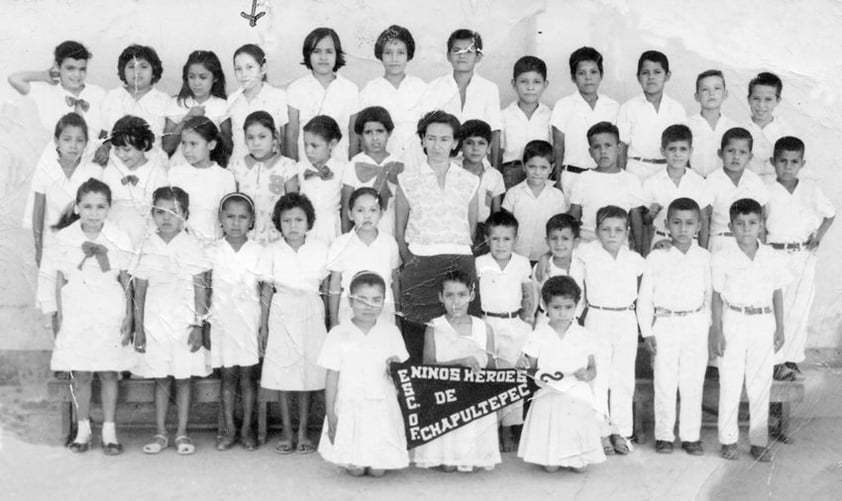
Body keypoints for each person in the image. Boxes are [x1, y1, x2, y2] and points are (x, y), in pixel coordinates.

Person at [38, 178, 135, 455]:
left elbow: (126, 277)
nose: (94, 212)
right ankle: (82, 431)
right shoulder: (65, 238)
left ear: (109, 209)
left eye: (100, 207)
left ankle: (109, 431)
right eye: (88, 206)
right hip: (78, 309)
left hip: (109, 308)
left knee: (108, 372)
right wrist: (60, 317)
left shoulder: (119, 236)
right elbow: (58, 281)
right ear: (78, 207)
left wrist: (129, 315)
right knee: (80, 373)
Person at [395, 110, 480, 361]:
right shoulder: (407, 179)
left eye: (444, 139)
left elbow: (471, 227)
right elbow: (399, 229)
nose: (437, 145)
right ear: (422, 140)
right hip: (420, 263)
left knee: (459, 333)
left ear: (455, 143)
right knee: (417, 333)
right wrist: (410, 260)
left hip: (459, 263)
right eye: (430, 138)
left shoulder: (469, 181)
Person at [134, 186, 212, 456]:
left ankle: (181, 432)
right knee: (161, 378)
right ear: (152, 214)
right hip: (155, 321)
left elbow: (201, 288)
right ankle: (160, 432)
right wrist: (140, 328)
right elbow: (140, 290)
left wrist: (198, 325)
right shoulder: (147, 245)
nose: (166, 218)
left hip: (184, 323)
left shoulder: (192, 246)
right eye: (160, 212)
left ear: (185, 215)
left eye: (174, 212)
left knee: (183, 378)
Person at [711, 198, 790, 462]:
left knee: (760, 384)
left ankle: (758, 441)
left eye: (752, 223)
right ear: (731, 226)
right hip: (734, 320)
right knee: (730, 382)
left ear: (761, 224)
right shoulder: (722, 257)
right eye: (740, 224)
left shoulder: (771, 256)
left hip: (763, 322)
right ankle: (728, 440)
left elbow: (778, 292)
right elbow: (716, 296)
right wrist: (718, 332)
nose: (746, 229)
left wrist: (780, 327)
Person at [637, 197, 711, 455]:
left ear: (699, 227)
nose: (682, 229)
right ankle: (664, 434)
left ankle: (691, 436)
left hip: (695, 323)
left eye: (689, 223)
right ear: (667, 224)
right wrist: (647, 330)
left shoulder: (705, 258)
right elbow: (645, 297)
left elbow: (710, 297)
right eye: (677, 222)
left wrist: (708, 329)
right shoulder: (656, 257)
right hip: (665, 324)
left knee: (692, 383)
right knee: (665, 382)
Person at [318, 271, 410, 477]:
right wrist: (331, 415)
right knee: (357, 470)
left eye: (376, 300)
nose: (369, 306)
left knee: (378, 472)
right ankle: (353, 457)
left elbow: (402, 373)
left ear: (383, 302)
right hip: (351, 401)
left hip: (381, 403)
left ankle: (378, 457)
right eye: (362, 300)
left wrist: (394, 367)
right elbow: (331, 376)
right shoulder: (338, 333)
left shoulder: (391, 331)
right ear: (350, 300)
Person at [570, 205, 645, 455]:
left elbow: (644, 296)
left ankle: (622, 431)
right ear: (596, 230)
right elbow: (576, 292)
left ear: (627, 232)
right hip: (597, 318)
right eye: (605, 229)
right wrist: (574, 324)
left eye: (618, 230)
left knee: (623, 378)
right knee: (598, 378)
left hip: (625, 319)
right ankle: (600, 432)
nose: (612, 234)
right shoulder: (584, 254)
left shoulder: (634, 259)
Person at [259, 193, 329, 455]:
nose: (293, 225)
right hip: (282, 311)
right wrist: (264, 326)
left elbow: (325, 288)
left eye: (299, 219)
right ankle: (287, 431)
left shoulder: (320, 248)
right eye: (287, 220)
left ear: (309, 222)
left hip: (310, 310)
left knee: (307, 373)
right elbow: (266, 290)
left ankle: (303, 432)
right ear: (279, 223)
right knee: (284, 374)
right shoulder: (271, 251)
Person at [412, 271, 501, 472]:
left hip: (473, 403)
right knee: (447, 467)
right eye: (450, 295)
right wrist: (458, 363)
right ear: (440, 297)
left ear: (471, 295)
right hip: (445, 399)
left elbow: (493, 372)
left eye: (462, 295)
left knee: (469, 464)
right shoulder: (435, 327)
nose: (456, 301)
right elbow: (427, 368)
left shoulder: (484, 328)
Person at [517, 276, 605, 472]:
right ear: (545, 306)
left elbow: (593, 369)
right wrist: (523, 365)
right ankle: (550, 455)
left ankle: (577, 454)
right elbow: (530, 370)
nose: (563, 313)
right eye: (556, 307)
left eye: (568, 307)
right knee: (551, 467)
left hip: (576, 395)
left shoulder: (583, 334)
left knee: (580, 467)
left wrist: (587, 375)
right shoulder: (537, 335)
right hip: (550, 395)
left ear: (576, 306)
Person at [765, 137, 835, 380]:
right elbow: (761, 224)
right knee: (778, 309)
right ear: (773, 161)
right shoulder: (766, 190)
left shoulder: (810, 190)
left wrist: (819, 237)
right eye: (782, 161)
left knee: (800, 308)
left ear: (802, 164)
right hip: (775, 253)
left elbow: (830, 214)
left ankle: (791, 358)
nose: (788, 166)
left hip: (802, 255)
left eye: (794, 162)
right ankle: (774, 361)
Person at [207, 193, 263, 451]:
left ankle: (247, 429)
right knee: (228, 378)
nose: (236, 223)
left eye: (242, 217)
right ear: (221, 219)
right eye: (230, 216)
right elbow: (205, 288)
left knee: (248, 379)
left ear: (251, 221)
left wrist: (264, 326)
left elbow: (266, 290)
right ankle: (229, 429)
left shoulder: (259, 251)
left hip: (249, 321)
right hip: (223, 322)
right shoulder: (212, 251)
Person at [474, 210, 533, 451]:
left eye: (506, 239)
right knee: (489, 376)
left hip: (513, 324)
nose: (500, 244)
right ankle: (491, 430)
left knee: (512, 376)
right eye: (495, 238)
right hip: (487, 324)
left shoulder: (522, 263)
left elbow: (530, 295)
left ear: (515, 239)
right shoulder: (479, 263)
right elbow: (474, 295)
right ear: (487, 239)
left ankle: (510, 429)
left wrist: (527, 324)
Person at [26, 112, 102, 268]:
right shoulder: (45, 170)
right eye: (67, 139)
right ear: (56, 141)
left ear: (86, 143)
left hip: (84, 245)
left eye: (79, 140)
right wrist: (38, 246)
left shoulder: (94, 171)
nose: (73, 145)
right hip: (52, 243)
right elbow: (38, 210)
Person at [416, 29, 502, 168]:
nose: (462, 56)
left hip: (477, 163)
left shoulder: (489, 88)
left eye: (468, 51)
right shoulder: (435, 87)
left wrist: (495, 168)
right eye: (457, 50)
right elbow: (426, 130)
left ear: (478, 56)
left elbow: (495, 130)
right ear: (449, 55)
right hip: (443, 162)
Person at [550, 46, 619, 195]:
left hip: (604, 178)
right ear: (573, 77)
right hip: (572, 177)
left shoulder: (612, 106)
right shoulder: (563, 105)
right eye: (582, 73)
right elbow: (558, 146)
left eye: (593, 72)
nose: (588, 77)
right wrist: (558, 180)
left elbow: (617, 146)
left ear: (601, 74)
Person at [328, 187, 400, 327]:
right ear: (350, 214)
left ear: (381, 213)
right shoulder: (340, 244)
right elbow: (334, 285)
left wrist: (397, 317)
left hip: (383, 310)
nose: (367, 216)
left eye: (373, 210)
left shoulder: (389, 243)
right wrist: (333, 321)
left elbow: (394, 282)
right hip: (349, 311)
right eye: (360, 210)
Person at [568, 122, 645, 249]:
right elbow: (574, 216)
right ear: (590, 152)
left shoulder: (631, 180)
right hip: (587, 245)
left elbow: (636, 218)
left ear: (619, 148)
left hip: (620, 247)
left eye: (608, 145)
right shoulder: (583, 178)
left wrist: (639, 249)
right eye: (597, 147)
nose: (603, 151)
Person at [286, 27, 359, 162]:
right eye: (317, 51)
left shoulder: (350, 89)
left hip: (340, 167)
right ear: (308, 54)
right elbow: (292, 135)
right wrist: (293, 172)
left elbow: (354, 136)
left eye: (329, 52)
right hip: (305, 168)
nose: (323, 57)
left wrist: (351, 172)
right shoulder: (296, 89)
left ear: (337, 54)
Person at [7, 40, 105, 138]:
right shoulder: (46, 92)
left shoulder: (98, 93)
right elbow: (14, 79)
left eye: (82, 69)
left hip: (94, 151)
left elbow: (108, 129)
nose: (77, 75)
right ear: (57, 66)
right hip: (56, 151)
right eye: (70, 68)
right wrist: (44, 75)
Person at [229, 111, 298, 245]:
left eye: (262, 137)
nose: (256, 143)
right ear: (244, 139)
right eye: (250, 138)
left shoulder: (287, 166)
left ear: (274, 137)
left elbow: (293, 207)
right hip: (246, 239)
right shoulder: (236, 167)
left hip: (277, 239)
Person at [618, 50, 687, 181]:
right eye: (645, 73)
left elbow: (683, 144)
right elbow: (622, 149)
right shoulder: (628, 107)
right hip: (636, 171)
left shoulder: (677, 108)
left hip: (668, 171)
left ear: (667, 76)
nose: (651, 77)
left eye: (657, 72)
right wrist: (622, 179)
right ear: (638, 77)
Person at [359, 25, 427, 158]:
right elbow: (361, 132)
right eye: (388, 53)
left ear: (408, 55)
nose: (394, 59)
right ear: (380, 55)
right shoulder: (371, 89)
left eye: (400, 53)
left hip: (416, 157)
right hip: (380, 159)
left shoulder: (421, 87)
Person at [167, 116, 236, 244]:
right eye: (183, 143)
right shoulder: (174, 174)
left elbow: (229, 218)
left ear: (211, 144)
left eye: (193, 144)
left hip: (214, 247)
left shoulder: (225, 177)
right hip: (181, 247)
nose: (187, 150)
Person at [642, 124, 713, 250]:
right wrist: (650, 214)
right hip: (661, 241)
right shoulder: (652, 182)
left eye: (683, 149)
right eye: (672, 149)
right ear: (662, 151)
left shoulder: (699, 182)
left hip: (691, 243)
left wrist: (703, 251)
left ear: (690, 151)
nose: (677, 154)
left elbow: (704, 221)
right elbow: (645, 222)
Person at [101, 115, 168, 246]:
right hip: (115, 232)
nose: (120, 154)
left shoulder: (158, 173)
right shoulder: (110, 172)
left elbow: (162, 209)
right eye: (116, 149)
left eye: (126, 149)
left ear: (144, 145)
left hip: (146, 235)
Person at [98, 44, 169, 164]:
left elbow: (167, 141)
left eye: (144, 66)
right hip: (117, 164)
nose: (137, 71)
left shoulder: (164, 101)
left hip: (153, 164)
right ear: (123, 71)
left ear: (153, 71)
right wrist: (104, 147)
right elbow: (104, 134)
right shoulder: (112, 97)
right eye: (131, 66)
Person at [702, 127, 769, 253]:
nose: (736, 157)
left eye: (742, 152)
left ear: (750, 156)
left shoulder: (755, 181)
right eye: (730, 151)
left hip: (749, 243)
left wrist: (762, 251)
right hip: (720, 243)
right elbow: (705, 222)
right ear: (720, 153)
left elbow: (762, 221)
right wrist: (703, 253)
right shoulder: (711, 181)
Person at [502, 140, 567, 263]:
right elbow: (506, 228)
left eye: (543, 168)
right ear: (523, 166)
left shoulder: (557, 196)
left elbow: (560, 228)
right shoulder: (513, 194)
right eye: (532, 167)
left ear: (551, 168)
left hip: (545, 257)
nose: (537, 172)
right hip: (516, 255)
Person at [341, 106, 403, 235]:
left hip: (393, 229)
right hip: (362, 234)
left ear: (389, 133)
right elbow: (346, 209)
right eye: (368, 132)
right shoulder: (353, 165)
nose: (375, 137)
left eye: (380, 131)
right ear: (360, 135)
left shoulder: (400, 164)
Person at [163, 50, 232, 167]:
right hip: (179, 166)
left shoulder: (222, 105)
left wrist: (208, 125)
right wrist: (186, 119)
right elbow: (166, 147)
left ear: (215, 78)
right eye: (192, 77)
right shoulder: (177, 103)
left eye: (203, 77)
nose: (196, 83)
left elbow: (229, 147)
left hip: (209, 167)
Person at [227, 44, 289, 162]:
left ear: (263, 68)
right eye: (238, 69)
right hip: (239, 167)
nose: (244, 74)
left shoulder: (277, 96)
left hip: (271, 167)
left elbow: (284, 139)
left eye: (249, 67)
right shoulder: (232, 100)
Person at [500, 56, 552, 189]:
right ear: (514, 84)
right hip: (511, 173)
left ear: (545, 85)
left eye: (536, 82)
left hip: (540, 175)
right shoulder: (503, 115)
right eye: (524, 81)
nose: (530, 87)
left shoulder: (551, 116)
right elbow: (497, 152)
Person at [297, 115, 346, 246]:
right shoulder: (299, 169)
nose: (308, 151)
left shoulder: (342, 169)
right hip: (306, 229)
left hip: (331, 229)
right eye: (306, 144)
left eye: (314, 146)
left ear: (332, 144)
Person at [458, 119, 505, 251]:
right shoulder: (453, 172)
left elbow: (496, 213)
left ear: (489, 147)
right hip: (457, 227)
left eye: (481, 143)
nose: (475, 148)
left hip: (482, 231)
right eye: (469, 143)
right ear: (461, 146)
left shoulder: (494, 176)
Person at [745, 72, 795, 183]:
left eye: (768, 99)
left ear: (777, 101)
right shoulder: (740, 130)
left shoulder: (785, 132)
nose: (761, 105)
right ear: (748, 99)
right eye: (756, 99)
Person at [687, 70, 738, 178]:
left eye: (717, 88)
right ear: (696, 96)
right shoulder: (687, 125)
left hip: (724, 183)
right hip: (695, 182)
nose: (711, 93)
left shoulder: (734, 127)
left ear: (725, 94)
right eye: (705, 89)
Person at [532, 214, 581, 324]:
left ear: (576, 242)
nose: (559, 244)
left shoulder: (582, 265)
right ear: (547, 241)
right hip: (546, 321)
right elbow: (534, 298)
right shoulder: (541, 268)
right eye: (554, 238)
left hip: (575, 324)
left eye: (565, 238)